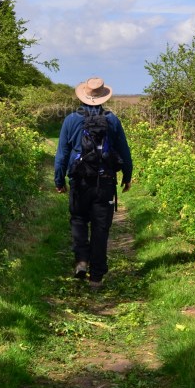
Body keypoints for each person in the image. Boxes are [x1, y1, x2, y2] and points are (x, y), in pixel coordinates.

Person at [54, 77, 133, 288]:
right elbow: (124, 151)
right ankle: (96, 277)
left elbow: (62, 153)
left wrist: (59, 180)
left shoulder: (71, 120)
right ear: (102, 98)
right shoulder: (112, 120)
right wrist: (127, 176)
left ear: (84, 95)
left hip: (80, 180)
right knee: (100, 228)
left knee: (78, 219)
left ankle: (81, 260)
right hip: (105, 181)